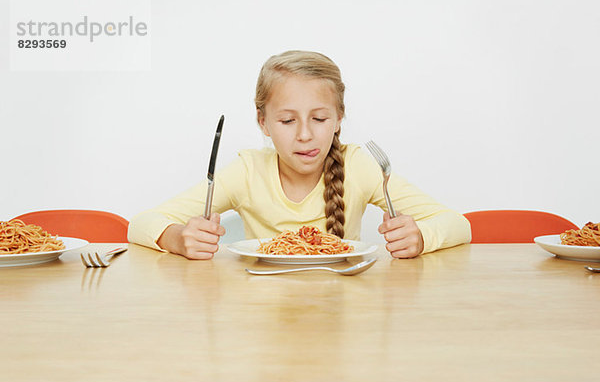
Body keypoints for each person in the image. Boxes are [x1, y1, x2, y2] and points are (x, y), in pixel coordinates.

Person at [128, 50, 471, 259]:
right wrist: (177, 239)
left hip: (345, 314)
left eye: (319, 118)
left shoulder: (359, 167)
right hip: (261, 314)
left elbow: (458, 224)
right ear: (263, 122)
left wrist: (421, 237)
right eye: (288, 120)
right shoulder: (247, 171)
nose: (305, 134)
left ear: (339, 119)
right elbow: (141, 223)